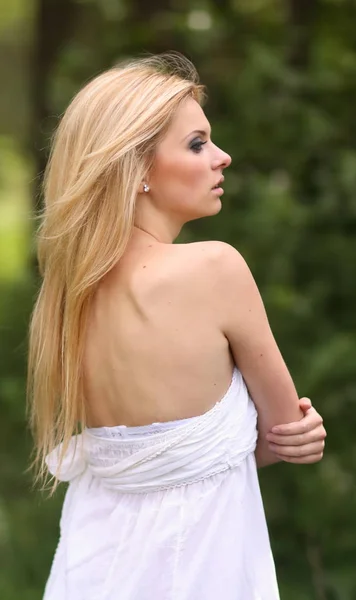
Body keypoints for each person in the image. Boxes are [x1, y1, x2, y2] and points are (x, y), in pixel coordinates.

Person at [27, 53, 326, 600]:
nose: (222, 157)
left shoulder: (67, 298)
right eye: (197, 143)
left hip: (91, 571)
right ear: (138, 168)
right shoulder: (214, 269)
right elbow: (280, 435)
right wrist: (299, 433)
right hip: (201, 570)